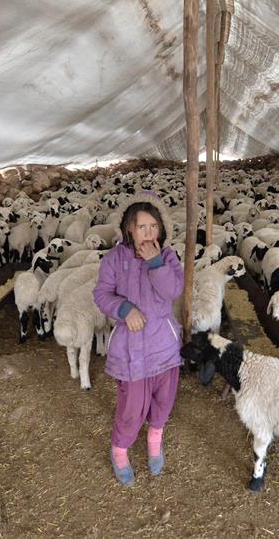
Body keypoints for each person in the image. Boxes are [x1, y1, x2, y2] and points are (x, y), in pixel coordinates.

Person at [93, 191, 185, 487]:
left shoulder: (168, 257)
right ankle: (119, 451)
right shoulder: (114, 259)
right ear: (128, 228)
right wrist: (124, 309)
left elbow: (172, 292)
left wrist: (156, 262)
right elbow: (102, 293)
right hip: (131, 348)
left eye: (153, 226)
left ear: (161, 229)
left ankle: (155, 439)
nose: (148, 233)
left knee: (163, 401)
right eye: (141, 226)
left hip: (164, 344)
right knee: (132, 407)